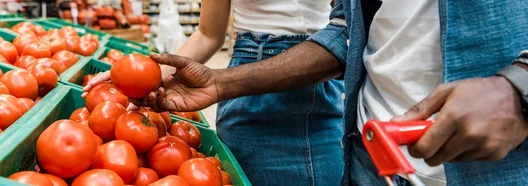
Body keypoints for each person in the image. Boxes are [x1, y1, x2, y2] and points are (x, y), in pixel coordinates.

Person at [136, 0, 528, 185]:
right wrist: (217, 81)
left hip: (499, 162)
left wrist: (523, 86)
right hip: (371, 157)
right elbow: (346, 33)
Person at [83, 0, 346, 185]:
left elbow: (345, 29)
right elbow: (208, 33)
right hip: (244, 72)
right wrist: (142, 72)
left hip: (308, 70)